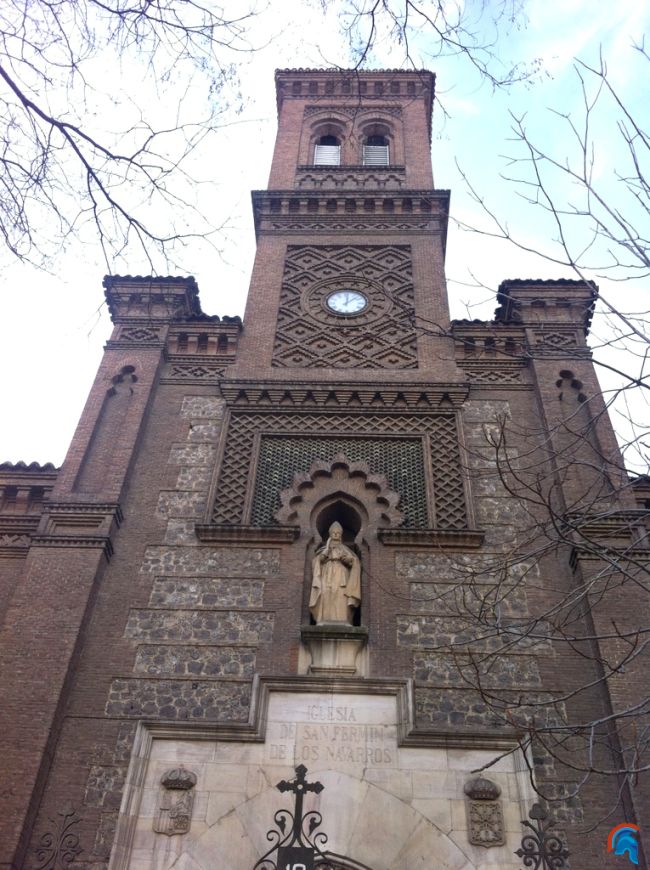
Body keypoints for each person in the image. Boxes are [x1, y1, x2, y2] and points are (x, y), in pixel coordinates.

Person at [309, 522, 361, 624]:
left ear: (341, 534)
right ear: (330, 534)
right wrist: (325, 552)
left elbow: (354, 562)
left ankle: (344, 620)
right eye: (334, 533)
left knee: (341, 595)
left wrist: (346, 559)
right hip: (327, 573)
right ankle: (323, 619)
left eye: (338, 533)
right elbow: (317, 561)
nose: (336, 534)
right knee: (325, 593)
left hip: (341, 574)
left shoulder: (345, 549)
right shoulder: (324, 549)